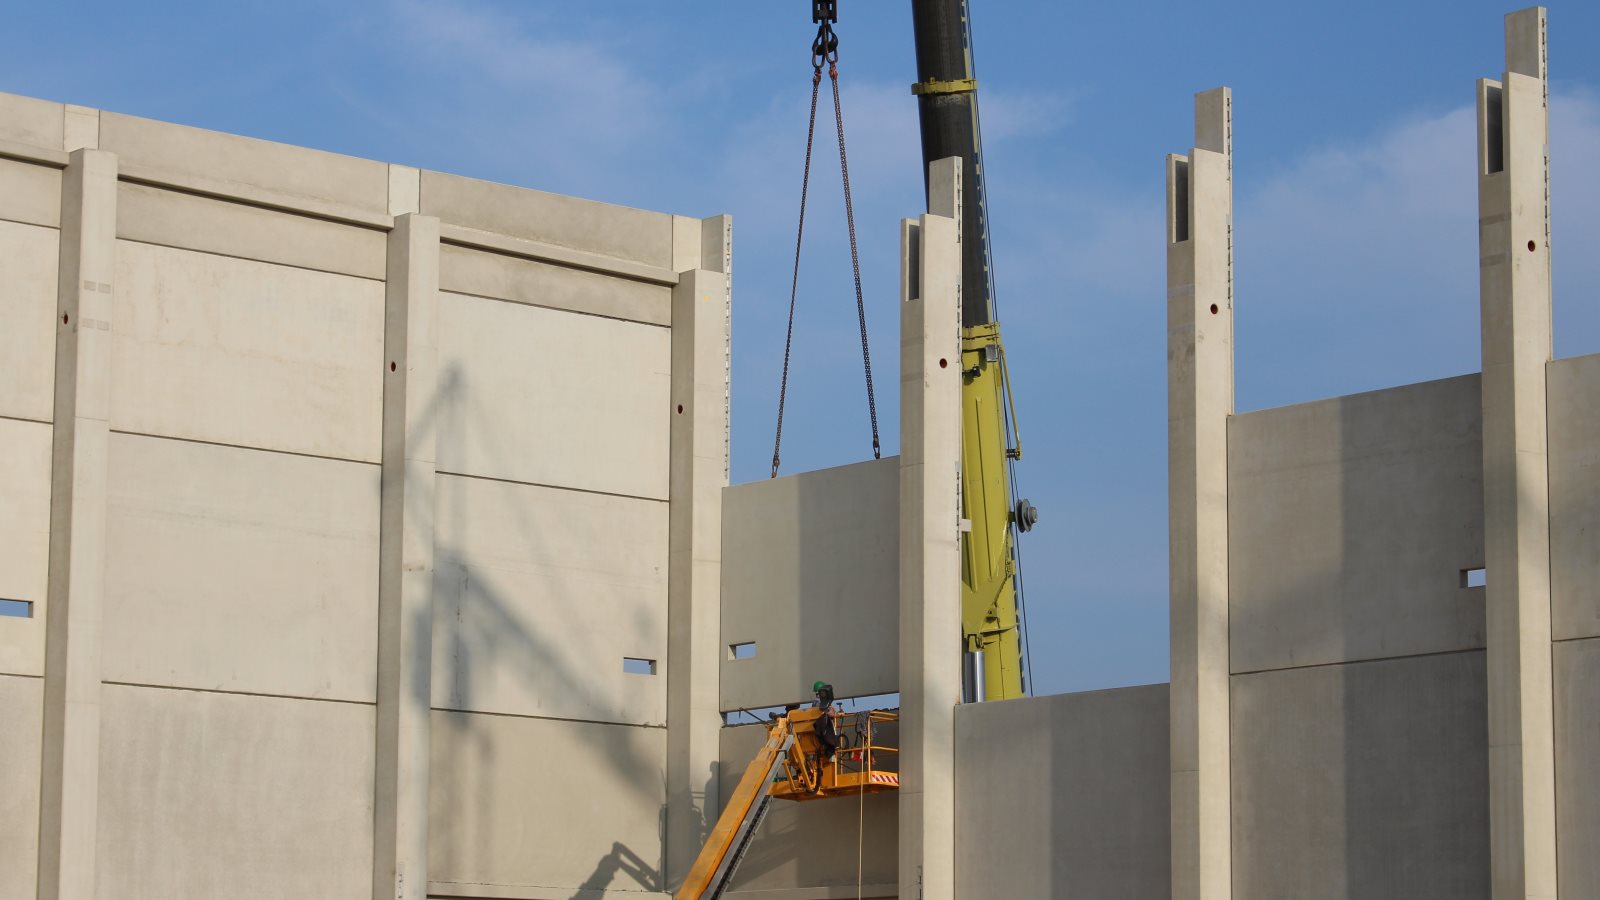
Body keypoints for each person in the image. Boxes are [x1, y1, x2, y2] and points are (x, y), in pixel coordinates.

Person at [811, 680, 838, 759]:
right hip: (824, 732)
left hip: (818, 732)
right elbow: (831, 714)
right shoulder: (821, 704)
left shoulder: (814, 703)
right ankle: (831, 751)